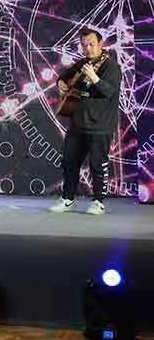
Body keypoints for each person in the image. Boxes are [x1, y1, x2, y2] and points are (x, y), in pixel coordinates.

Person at [50, 28, 121, 215]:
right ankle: (68, 199)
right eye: (84, 45)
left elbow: (109, 91)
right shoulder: (82, 63)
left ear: (100, 44)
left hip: (100, 125)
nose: (87, 48)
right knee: (69, 162)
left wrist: (94, 77)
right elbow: (62, 78)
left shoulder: (112, 66)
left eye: (91, 44)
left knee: (97, 165)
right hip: (77, 123)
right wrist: (61, 85)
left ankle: (98, 202)